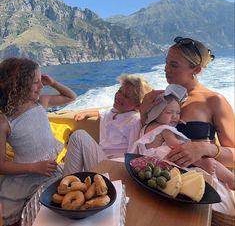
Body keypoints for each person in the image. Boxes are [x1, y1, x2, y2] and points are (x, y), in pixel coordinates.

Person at [140, 36, 235, 215]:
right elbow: (148, 138)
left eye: (174, 65)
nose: (166, 69)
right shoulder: (159, 99)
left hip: (201, 180)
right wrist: (143, 113)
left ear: (196, 70)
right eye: (166, 63)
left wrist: (203, 148)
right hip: (160, 175)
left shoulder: (214, 101)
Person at [0, 57, 77, 226]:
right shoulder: (5, 121)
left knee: (52, 211)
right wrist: (34, 167)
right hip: (24, 175)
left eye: (41, 81)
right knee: (8, 217)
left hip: (49, 172)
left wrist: (54, 83)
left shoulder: (41, 102)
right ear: (17, 86)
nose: (41, 86)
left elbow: (71, 97)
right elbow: (1, 165)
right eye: (36, 82)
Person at [131, 85, 235, 190]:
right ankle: (231, 179)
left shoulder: (145, 127)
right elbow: (179, 147)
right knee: (209, 161)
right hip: (169, 162)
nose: (175, 116)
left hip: (152, 168)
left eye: (178, 113)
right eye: (169, 112)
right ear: (156, 113)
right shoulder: (165, 130)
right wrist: (199, 158)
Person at [63, 74, 152, 176]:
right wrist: (86, 113)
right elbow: (102, 113)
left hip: (113, 169)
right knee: (60, 166)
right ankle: (71, 182)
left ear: (137, 105)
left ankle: (68, 184)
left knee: (79, 136)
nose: (119, 96)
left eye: (126, 96)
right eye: (120, 91)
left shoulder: (133, 121)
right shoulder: (114, 111)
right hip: (102, 159)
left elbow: (133, 154)